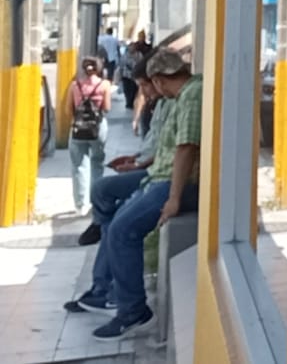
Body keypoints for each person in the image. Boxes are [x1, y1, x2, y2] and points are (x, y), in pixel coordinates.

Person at [63, 49, 202, 341]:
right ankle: (110, 291)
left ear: (159, 80)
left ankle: (131, 311)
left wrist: (174, 198)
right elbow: (170, 148)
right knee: (114, 223)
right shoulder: (181, 96)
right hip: (159, 177)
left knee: (122, 230)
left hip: (173, 183)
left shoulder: (191, 96)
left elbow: (186, 148)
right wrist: (140, 164)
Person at [76, 60, 170, 247]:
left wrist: (138, 165)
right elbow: (152, 144)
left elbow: (167, 150)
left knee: (103, 192)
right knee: (111, 216)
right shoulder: (159, 104)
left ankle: (101, 223)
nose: (144, 92)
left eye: (145, 86)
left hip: (155, 171)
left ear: (157, 81)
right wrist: (134, 158)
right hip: (144, 162)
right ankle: (103, 224)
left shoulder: (171, 105)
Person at [67, 57, 112, 215]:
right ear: (99, 68)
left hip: (78, 128)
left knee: (78, 164)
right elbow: (107, 108)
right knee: (97, 162)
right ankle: (95, 199)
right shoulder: (104, 85)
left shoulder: (75, 85)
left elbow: (68, 109)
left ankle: (81, 205)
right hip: (98, 128)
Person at [122, 29, 152, 110]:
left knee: (134, 89)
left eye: (143, 36)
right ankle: (129, 102)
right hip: (127, 74)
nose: (141, 38)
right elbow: (123, 62)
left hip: (137, 72)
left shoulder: (146, 48)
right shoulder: (131, 50)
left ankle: (131, 102)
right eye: (140, 36)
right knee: (127, 89)